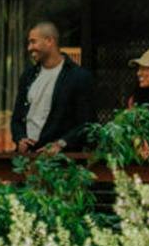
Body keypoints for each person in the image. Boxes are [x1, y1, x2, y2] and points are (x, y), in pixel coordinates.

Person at [10, 21, 95, 154]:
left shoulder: (78, 77)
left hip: (60, 160)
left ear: (49, 41)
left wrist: (61, 144)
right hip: (26, 157)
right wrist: (19, 138)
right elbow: (16, 118)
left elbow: (87, 123)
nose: (29, 48)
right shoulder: (28, 76)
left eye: (33, 42)